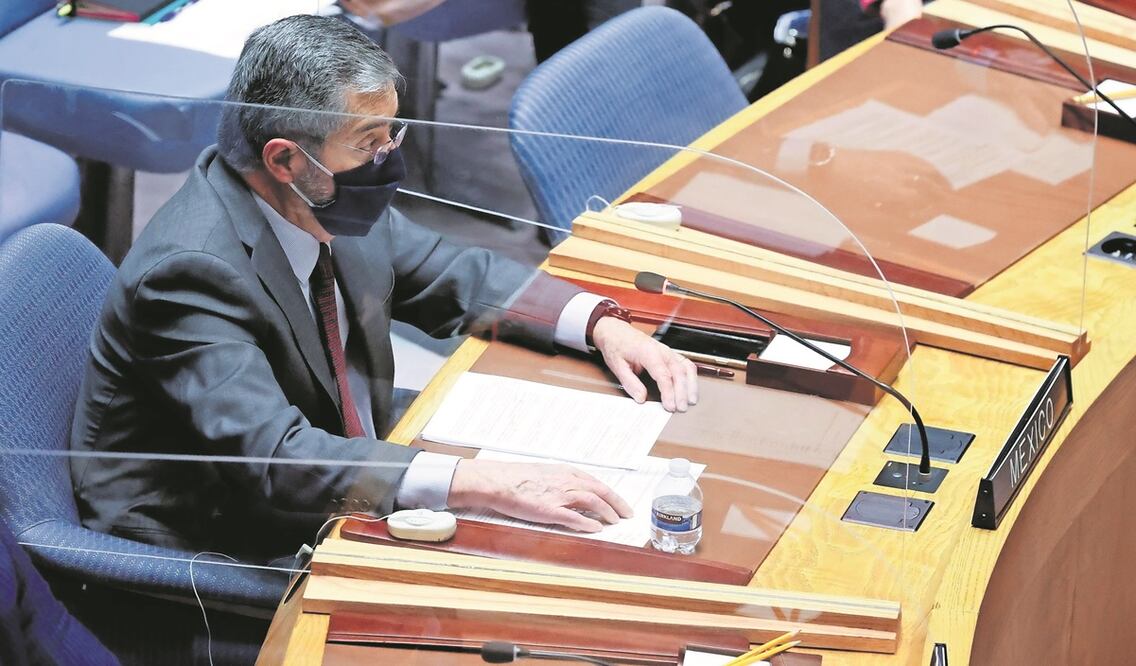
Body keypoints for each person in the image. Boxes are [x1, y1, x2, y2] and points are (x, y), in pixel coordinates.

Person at [69, 14, 698, 562]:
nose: (388, 162)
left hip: (341, 444)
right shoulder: (189, 273)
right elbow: (275, 460)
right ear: (285, 159)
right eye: (369, 144)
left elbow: (454, 272)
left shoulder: (322, 198)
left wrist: (598, 321)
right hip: (218, 533)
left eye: (391, 136)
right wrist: (486, 484)